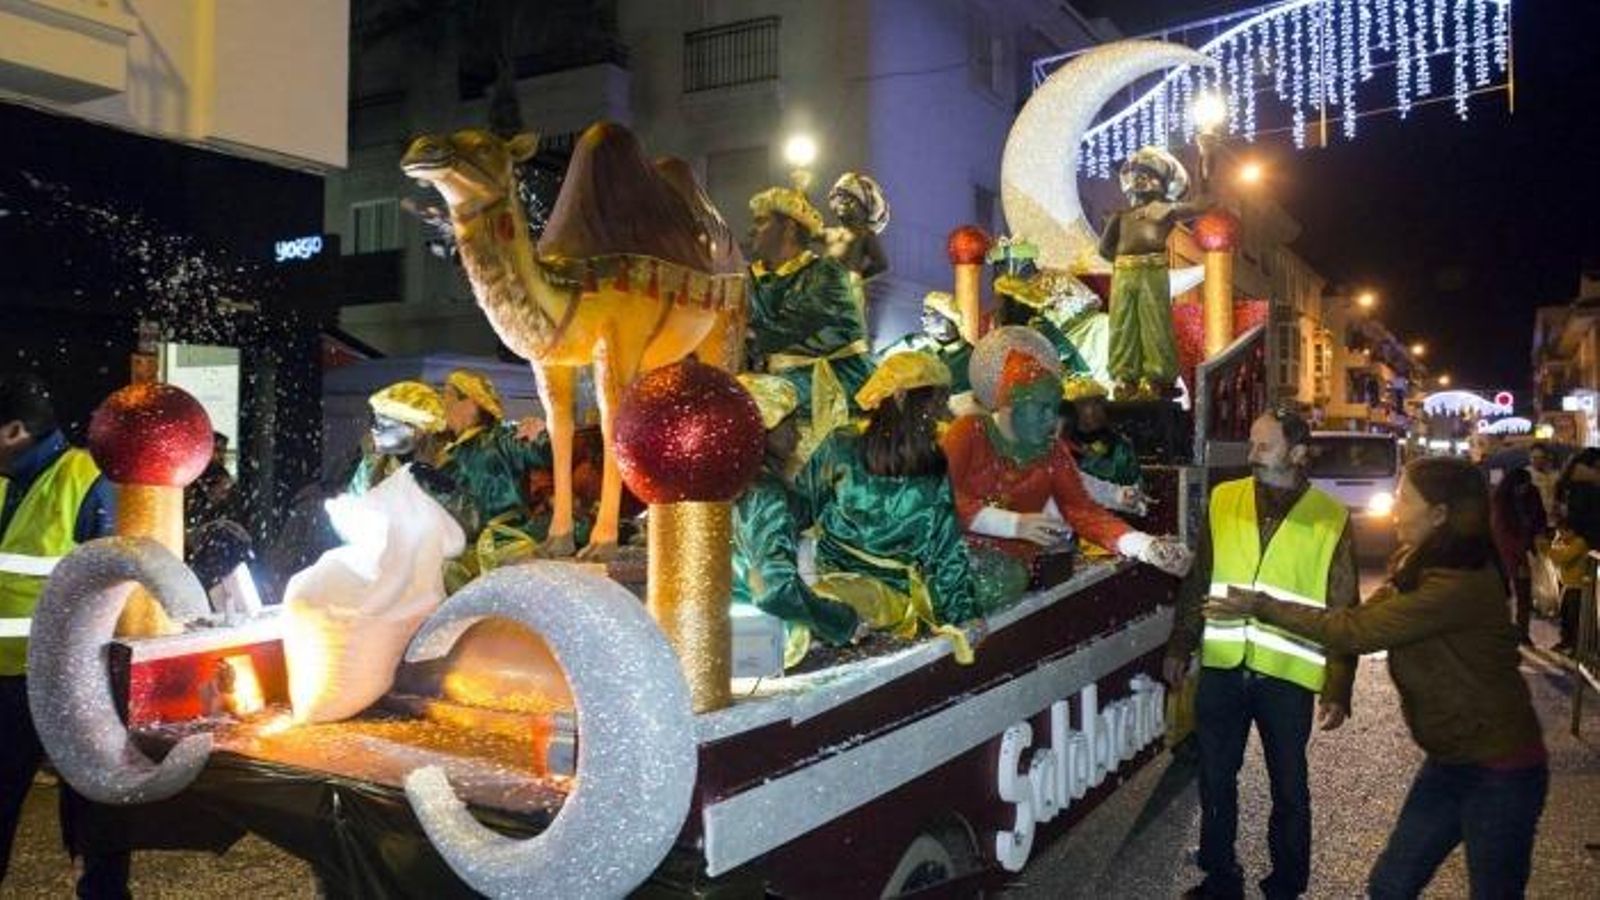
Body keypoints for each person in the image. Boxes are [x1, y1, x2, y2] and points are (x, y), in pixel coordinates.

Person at [1205, 456, 1547, 899]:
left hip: (1501, 771)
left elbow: (1354, 631)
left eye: (1405, 500)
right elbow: (1355, 620)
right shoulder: (1416, 566)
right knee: (1390, 886)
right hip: (1449, 762)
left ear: (1439, 514)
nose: (1396, 510)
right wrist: (1337, 682)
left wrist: (1261, 604)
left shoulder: (1458, 585)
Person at [1165, 408, 1358, 900]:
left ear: (1297, 453)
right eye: (1251, 444)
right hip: (1225, 667)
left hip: (1286, 674)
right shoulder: (1224, 499)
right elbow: (1200, 578)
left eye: (1264, 446)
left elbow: (1343, 609)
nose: (1252, 456)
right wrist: (1181, 643)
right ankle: (1219, 877)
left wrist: (1338, 686)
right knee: (1215, 779)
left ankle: (1287, 885)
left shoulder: (1330, 519)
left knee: (1289, 790)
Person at [0, 374, 129, 897]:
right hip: (6, 684)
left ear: (13, 431)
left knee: (93, 817)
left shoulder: (87, 478)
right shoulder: (7, 479)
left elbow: (119, 587)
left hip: (68, 680)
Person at [795, 353, 1008, 659]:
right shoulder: (840, 445)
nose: (940, 415)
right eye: (933, 404)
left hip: (894, 592)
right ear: (900, 398)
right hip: (835, 578)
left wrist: (964, 614)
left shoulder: (935, 462)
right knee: (814, 605)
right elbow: (799, 510)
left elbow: (946, 546)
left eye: (942, 404)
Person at [942, 350, 1191, 582]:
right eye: (1042, 409)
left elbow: (1082, 509)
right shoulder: (968, 433)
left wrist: (1146, 546)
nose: (1051, 419)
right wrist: (1012, 524)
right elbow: (939, 501)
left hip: (1028, 569)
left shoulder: (1049, 449)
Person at [732, 374, 861, 667]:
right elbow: (775, 589)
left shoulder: (735, 482)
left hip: (734, 634)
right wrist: (841, 621)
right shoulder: (764, 493)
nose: (799, 436)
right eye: (790, 426)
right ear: (762, 431)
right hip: (763, 639)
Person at [745, 186, 876, 420]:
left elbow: (786, 328)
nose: (751, 231)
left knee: (748, 403)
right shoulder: (752, 276)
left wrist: (742, 334)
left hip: (833, 397)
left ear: (789, 228)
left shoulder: (827, 273)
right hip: (787, 389)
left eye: (761, 221)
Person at [1097, 145, 1211, 399]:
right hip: (1124, 273)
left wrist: (1206, 159)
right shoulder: (1120, 216)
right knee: (1122, 325)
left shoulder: (1166, 211)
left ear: (1160, 183)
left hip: (1152, 271)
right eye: (1137, 175)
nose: (1141, 180)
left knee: (1155, 322)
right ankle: (1126, 378)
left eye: (1148, 175)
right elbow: (1104, 250)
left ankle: (1158, 378)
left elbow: (1204, 204)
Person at [437, 368, 562, 568]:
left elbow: (544, 453)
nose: (444, 405)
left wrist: (540, 434)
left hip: (506, 541)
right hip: (463, 546)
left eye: (448, 397)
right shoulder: (448, 454)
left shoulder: (501, 439)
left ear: (470, 403)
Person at [348, 380, 447, 496]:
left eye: (385, 425)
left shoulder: (448, 469)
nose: (374, 429)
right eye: (375, 422)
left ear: (418, 431)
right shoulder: (371, 465)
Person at [1062, 378, 1145, 515]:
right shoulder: (1058, 448)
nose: (1092, 410)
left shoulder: (1120, 445)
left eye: (1097, 403)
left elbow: (1135, 484)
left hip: (1116, 517)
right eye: (1083, 404)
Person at [878, 291, 973, 396]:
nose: (923, 318)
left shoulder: (972, 357)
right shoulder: (912, 343)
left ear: (948, 317)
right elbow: (878, 362)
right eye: (924, 314)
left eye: (929, 314)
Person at [1491, 467, 1547, 644]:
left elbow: (1540, 518)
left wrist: (1537, 537)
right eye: (1521, 486)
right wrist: (1519, 556)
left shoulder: (1532, 494)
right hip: (1504, 554)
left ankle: (1522, 632)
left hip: (1524, 551)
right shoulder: (1500, 501)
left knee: (1524, 596)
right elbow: (1500, 532)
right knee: (1502, 595)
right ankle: (1503, 631)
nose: (1524, 489)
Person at [822, 171, 890, 284]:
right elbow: (809, 232)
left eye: (850, 199)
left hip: (841, 294)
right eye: (840, 198)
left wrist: (856, 280)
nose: (842, 203)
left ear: (865, 208)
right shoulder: (832, 232)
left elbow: (881, 264)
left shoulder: (865, 235)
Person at [1545, 510, 1588, 655]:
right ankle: (1565, 642)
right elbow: (1556, 551)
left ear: (1572, 531)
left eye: (1563, 532)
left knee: (1573, 618)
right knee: (1564, 616)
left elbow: (1561, 558)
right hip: (1567, 586)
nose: (1561, 536)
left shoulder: (1579, 543)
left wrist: (1548, 549)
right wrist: (1556, 542)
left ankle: (1575, 647)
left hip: (1577, 587)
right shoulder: (1564, 542)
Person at [1527, 441, 1559, 520]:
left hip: (1552, 518)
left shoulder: (1554, 474)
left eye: (1541, 457)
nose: (1537, 460)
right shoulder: (1526, 475)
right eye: (1534, 458)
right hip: (1535, 519)